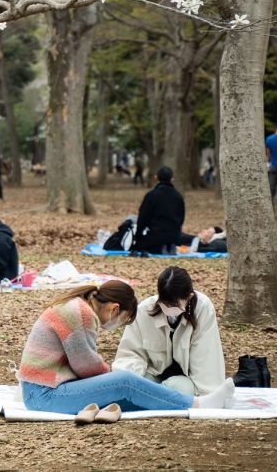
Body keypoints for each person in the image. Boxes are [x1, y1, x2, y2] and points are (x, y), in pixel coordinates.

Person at [18, 281, 235, 420]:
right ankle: (198, 404)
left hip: (44, 390)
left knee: (130, 395)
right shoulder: (80, 313)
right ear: (114, 309)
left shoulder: (77, 306)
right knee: (125, 382)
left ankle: (183, 403)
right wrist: (111, 379)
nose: (117, 325)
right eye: (122, 320)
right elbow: (85, 365)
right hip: (42, 394)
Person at [112, 267, 225, 397]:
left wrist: (205, 395)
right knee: (140, 385)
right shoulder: (144, 311)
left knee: (183, 390)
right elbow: (130, 354)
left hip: (186, 381)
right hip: (152, 375)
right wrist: (130, 382)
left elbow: (206, 358)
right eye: (165, 303)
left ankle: (154, 395)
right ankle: (155, 394)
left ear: (189, 297)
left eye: (175, 305)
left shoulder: (203, 308)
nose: (170, 308)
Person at [132, 166, 185, 255]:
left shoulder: (151, 195)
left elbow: (142, 218)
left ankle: (160, 247)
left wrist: (138, 238)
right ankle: (169, 245)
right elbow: (181, 218)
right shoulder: (178, 197)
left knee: (140, 245)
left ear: (156, 177)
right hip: (174, 236)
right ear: (172, 178)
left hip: (155, 235)